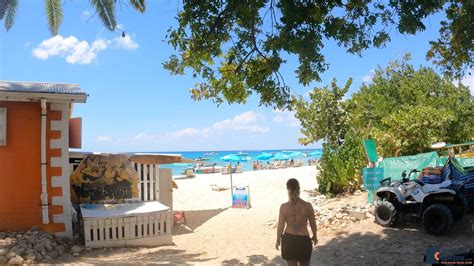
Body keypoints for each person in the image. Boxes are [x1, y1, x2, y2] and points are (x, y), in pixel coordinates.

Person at [275, 178, 317, 266]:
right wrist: (315, 235)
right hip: (303, 240)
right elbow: (313, 223)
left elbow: (280, 226)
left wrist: (278, 239)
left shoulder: (284, 207)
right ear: (299, 189)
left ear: (288, 190)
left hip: (289, 240)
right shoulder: (307, 206)